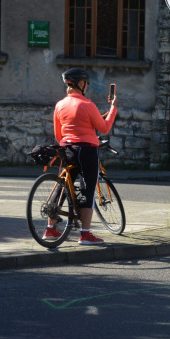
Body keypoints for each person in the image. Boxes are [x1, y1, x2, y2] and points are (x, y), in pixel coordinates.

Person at [47, 68, 117, 245]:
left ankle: (50, 229)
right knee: (88, 189)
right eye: (86, 83)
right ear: (81, 84)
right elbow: (104, 128)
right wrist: (113, 109)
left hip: (67, 149)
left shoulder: (60, 105)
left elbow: (58, 134)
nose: (87, 86)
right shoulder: (88, 105)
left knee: (62, 186)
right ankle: (85, 234)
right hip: (86, 150)